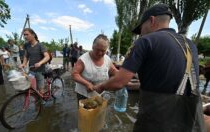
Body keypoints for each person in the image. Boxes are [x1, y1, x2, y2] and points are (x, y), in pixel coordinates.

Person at [94, 4, 205, 132]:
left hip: (158, 118)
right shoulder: (190, 44)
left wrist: (101, 86)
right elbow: (168, 81)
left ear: (152, 20)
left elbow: (119, 82)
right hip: (190, 119)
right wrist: (135, 85)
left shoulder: (146, 41)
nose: (140, 33)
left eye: (141, 28)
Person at [71, 34, 118, 101]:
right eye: (97, 49)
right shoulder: (83, 59)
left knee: (101, 110)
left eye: (103, 51)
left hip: (101, 94)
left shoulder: (107, 59)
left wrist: (123, 76)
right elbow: (74, 74)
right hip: (84, 95)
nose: (99, 53)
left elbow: (113, 71)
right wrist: (87, 84)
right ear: (93, 46)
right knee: (86, 111)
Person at [20, 28, 50, 94]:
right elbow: (26, 55)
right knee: (32, 88)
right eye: (24, 35)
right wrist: (24, 64)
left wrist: (40, 63)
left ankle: (42, 102)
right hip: (31, 69)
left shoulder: (40, 45)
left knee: (40, 89)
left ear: (33, 35)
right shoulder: (26, 45)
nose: (25, 36)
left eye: (27, 34)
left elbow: (47, 56)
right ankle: (37, 100)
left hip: (40, 70)